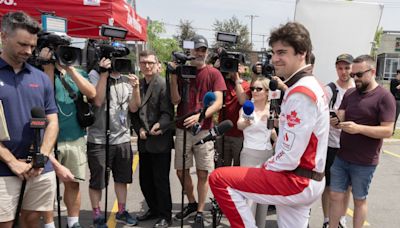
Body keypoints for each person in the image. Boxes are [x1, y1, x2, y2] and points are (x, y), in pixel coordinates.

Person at [209, 21, 329, 228]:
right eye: (273, 53)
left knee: (219, 178)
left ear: (302, 53)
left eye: (282, 52)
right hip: (307, 178)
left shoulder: (301, 92)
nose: (275, 59)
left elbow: (289, 156)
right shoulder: (311, 85)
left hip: (297, 179)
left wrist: (261, 168)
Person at [0, 11, 74, 228]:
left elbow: (53, 121)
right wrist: (12, 162)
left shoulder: (40, 77)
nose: (28, 51)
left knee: (33, 219)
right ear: (4, 37)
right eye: (22, 44)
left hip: (39, 169)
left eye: (32, 46)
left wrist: (41, 157)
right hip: (4, 171)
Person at [329, 55, 396, 228]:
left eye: (359, 75)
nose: (355, 79)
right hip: (342, 156)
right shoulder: (350, 94)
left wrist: (359, 128)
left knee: (359, 200)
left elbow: (388, 130)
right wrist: (336, 121)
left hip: (365, 161)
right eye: (353, 75)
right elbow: (341, 115)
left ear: (372, 72)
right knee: (335, 196)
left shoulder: (385, 97)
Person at [169, 34, 226, 228]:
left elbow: (218, 102)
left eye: (203, 50)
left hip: (204, 130)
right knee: (180, 170)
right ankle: (191, 202)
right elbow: (175, 100)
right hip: (182, 129)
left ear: (207, 52)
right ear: (190, 51)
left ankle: (201, 210)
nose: (199, 53)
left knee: (203, 173)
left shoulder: (213, 74)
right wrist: (173, 76)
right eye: (196, 50)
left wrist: (201, 116)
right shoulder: (182, 71)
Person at [40, 46, 96, 228]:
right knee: (47, 186)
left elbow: (92, 93)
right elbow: (43, 98)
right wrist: (48, 68)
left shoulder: (78, 72)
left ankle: (73, 222)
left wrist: (70, 68)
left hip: (75, 137)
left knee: (72, 183)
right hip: (49, 139)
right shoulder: (41, 72)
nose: (60, 55)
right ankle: (49, 224)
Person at [87, 56, 141, 227]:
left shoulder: (126, 78)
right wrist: (104, 74)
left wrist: (136, 88)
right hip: (99, 138)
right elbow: (97, 100)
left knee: (122, 178)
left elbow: (134, 107)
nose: (118, 64)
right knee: (98, 180)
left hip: (123, 138)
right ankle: (96, 214)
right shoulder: (95, 74)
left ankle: (122, 211)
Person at [131, 50, 174, 228]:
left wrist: (161, 125)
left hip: (159, 140)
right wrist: (139, 128)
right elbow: (132, 112)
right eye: (143, 63)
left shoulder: (163, 84)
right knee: (145, 181)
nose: (147, 66)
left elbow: (168, 112)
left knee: (161, 180)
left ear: (157, 65)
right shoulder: (138, 84)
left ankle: (165, 215)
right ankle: (154, 209)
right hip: (144, 141)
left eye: (150, 62)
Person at [237, 77, 277, 228]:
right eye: (253, 88)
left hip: (267, 155)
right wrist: (246, 122)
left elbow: (271, 129)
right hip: (249, 155)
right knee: (249, 199)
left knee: (263, 198)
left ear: (267, 92)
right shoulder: (247, 107)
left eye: (258, 89)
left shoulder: (272, 109)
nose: (254, 91)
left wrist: (278, 139)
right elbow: (239, 125)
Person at [321, 53, 355, 228]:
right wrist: (329, 119)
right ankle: (327, 219)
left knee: (347, 187)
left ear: (352, 68)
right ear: (336, 68)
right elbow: (319, 114)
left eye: (347, 68)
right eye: (340, 68)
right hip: (331, 145)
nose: (344, 72)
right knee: (328, 185)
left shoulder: (357, 89)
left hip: (350, 147)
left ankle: (341, 218)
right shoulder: (329, 90)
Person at [215, 59, 250, 167]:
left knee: (237, 166)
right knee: (221, 166)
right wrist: (217, 67)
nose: (233, 67)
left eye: (237, 65)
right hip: (223, 132)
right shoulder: (222, 83)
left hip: (238, 135)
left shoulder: (246, 85)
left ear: (244, 68)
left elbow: (242, 101)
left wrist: (237, 78)